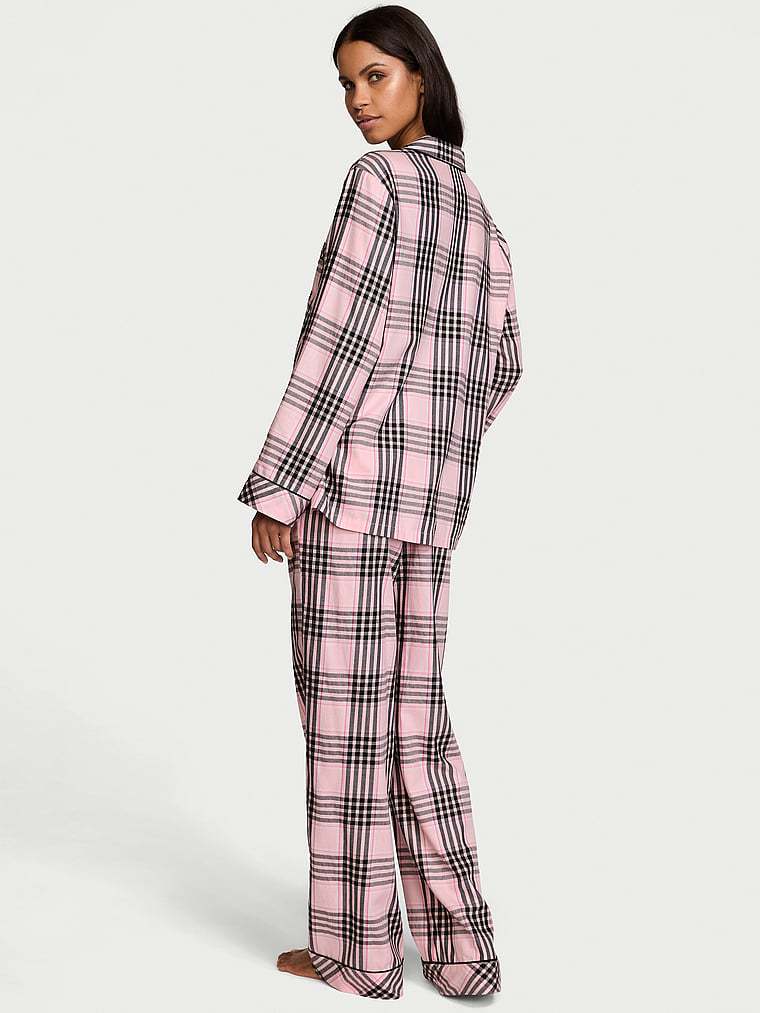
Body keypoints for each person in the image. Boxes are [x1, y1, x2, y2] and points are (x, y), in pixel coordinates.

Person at [236, 5, 523, 1000]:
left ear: (420, 77)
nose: (358, 101)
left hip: (350, 499)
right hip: (431, 511)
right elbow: (503, 362)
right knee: (417, 724)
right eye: (346, 84)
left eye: (375, 77)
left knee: (346, 731)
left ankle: (356, 954)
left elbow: (340, 339)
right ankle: (462, 954)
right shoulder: (479, 213)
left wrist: (284, 484)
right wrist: (439, 448)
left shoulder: (379, 183)